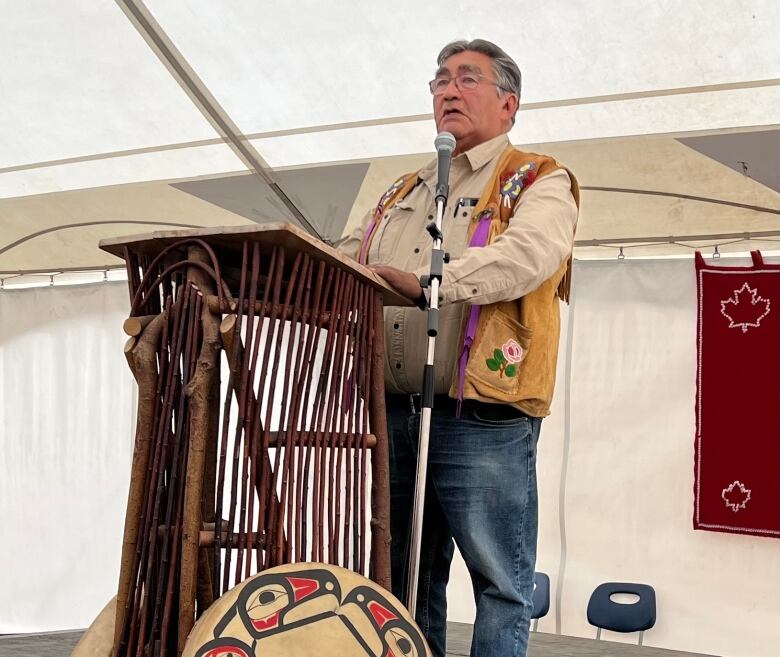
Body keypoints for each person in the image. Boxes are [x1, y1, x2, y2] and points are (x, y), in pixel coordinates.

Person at [338, 39, 579, 657]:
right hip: (392, 409)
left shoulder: (539, 179)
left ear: (508, 103)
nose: (448, 89)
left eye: (467, 79)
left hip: (485, 416)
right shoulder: (399, 191)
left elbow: (528, 256)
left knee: (500, 582)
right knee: (405, 578)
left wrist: (431, 286)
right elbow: (345, 258)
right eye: (439, 80)